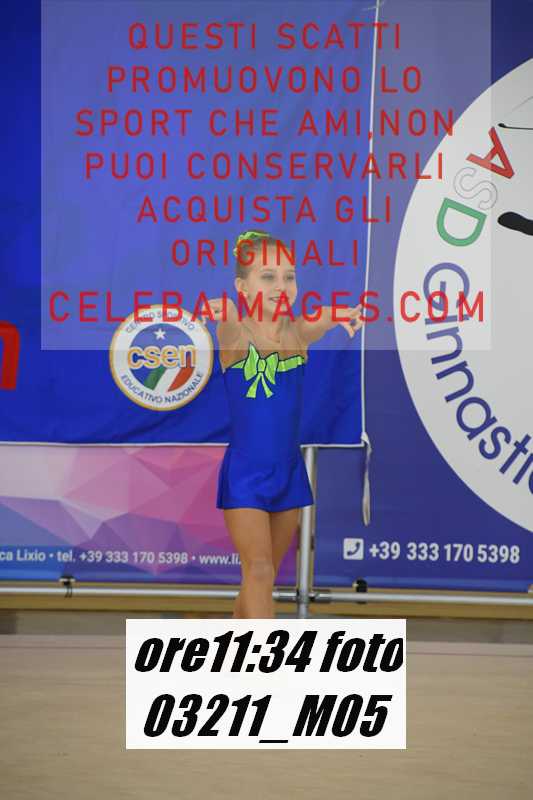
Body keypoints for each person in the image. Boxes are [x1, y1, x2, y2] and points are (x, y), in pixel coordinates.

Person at [203, 230, 363, 619]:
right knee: (258, 570)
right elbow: (227, 322)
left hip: (288, 474)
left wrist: (341, 314)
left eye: (289, 276)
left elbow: (319, 320)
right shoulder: (236, 337)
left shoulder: (295, 334)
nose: (281, 285)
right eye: (268, 276)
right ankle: (267, 657)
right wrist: (227, 310)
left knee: (262, 577)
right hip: (246, 474)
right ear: (243, 285)